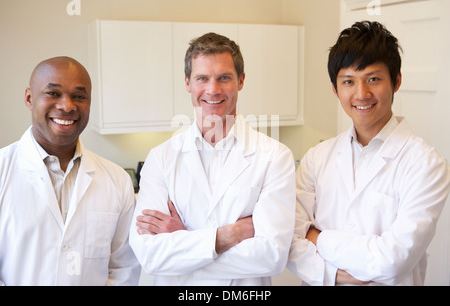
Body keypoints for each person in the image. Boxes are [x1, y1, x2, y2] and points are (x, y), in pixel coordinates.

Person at [287, 21, 450, 286]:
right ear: (335, 88)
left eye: (373, 79)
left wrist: (317, 237)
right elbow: (289, 238)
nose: (361, 94)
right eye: (348, 81)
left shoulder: (427, 165)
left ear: (396, 81)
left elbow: (393, 260)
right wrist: (332, 275)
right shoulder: (317, 158)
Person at [129, 32, 296, 285]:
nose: (212, 89)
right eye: (202, 78)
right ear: (187, 83)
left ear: (240, 80)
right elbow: (150, 256)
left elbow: (271, 257)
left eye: (224, 78)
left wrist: (184, 242)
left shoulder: (275, 157)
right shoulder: (161, 158)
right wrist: (228, 236)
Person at [0, 56, 140, 285]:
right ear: (29, 98)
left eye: (79, 96)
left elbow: (123, 267)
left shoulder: (117, 180)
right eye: (53, 93)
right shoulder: (3, 171)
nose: (67, 106)